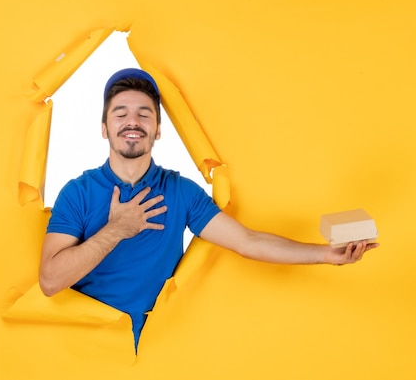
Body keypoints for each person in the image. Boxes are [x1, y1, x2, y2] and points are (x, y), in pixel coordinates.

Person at [39, 68, 379, 349]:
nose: (133, 122)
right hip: (86, 350)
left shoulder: (181, 192)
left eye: (145, 114)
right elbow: (50, 281)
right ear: (104, 129)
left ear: (158, 131)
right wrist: (118, 228)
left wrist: (325, 254)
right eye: (120, 113)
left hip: (157, 349)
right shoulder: (77, 193)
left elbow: (248, 241)